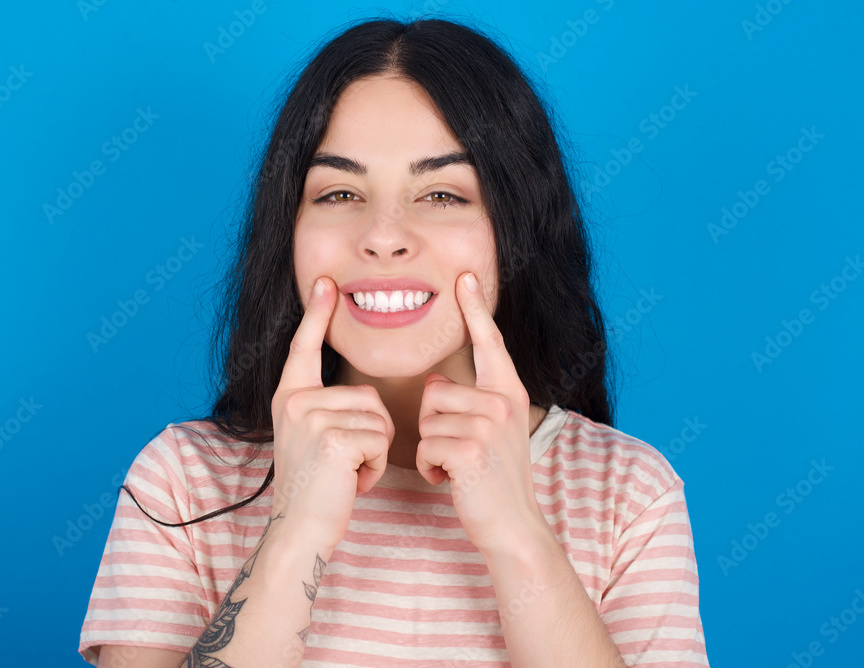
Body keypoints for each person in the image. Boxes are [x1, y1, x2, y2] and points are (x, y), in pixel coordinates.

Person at [79, 16, 709, 667]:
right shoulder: (182, 482)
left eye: (440, 193)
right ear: (289, 230)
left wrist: (519, 538)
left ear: (513, 229)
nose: (384, 235)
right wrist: (296, 532)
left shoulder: (628, 494)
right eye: (340, 191)